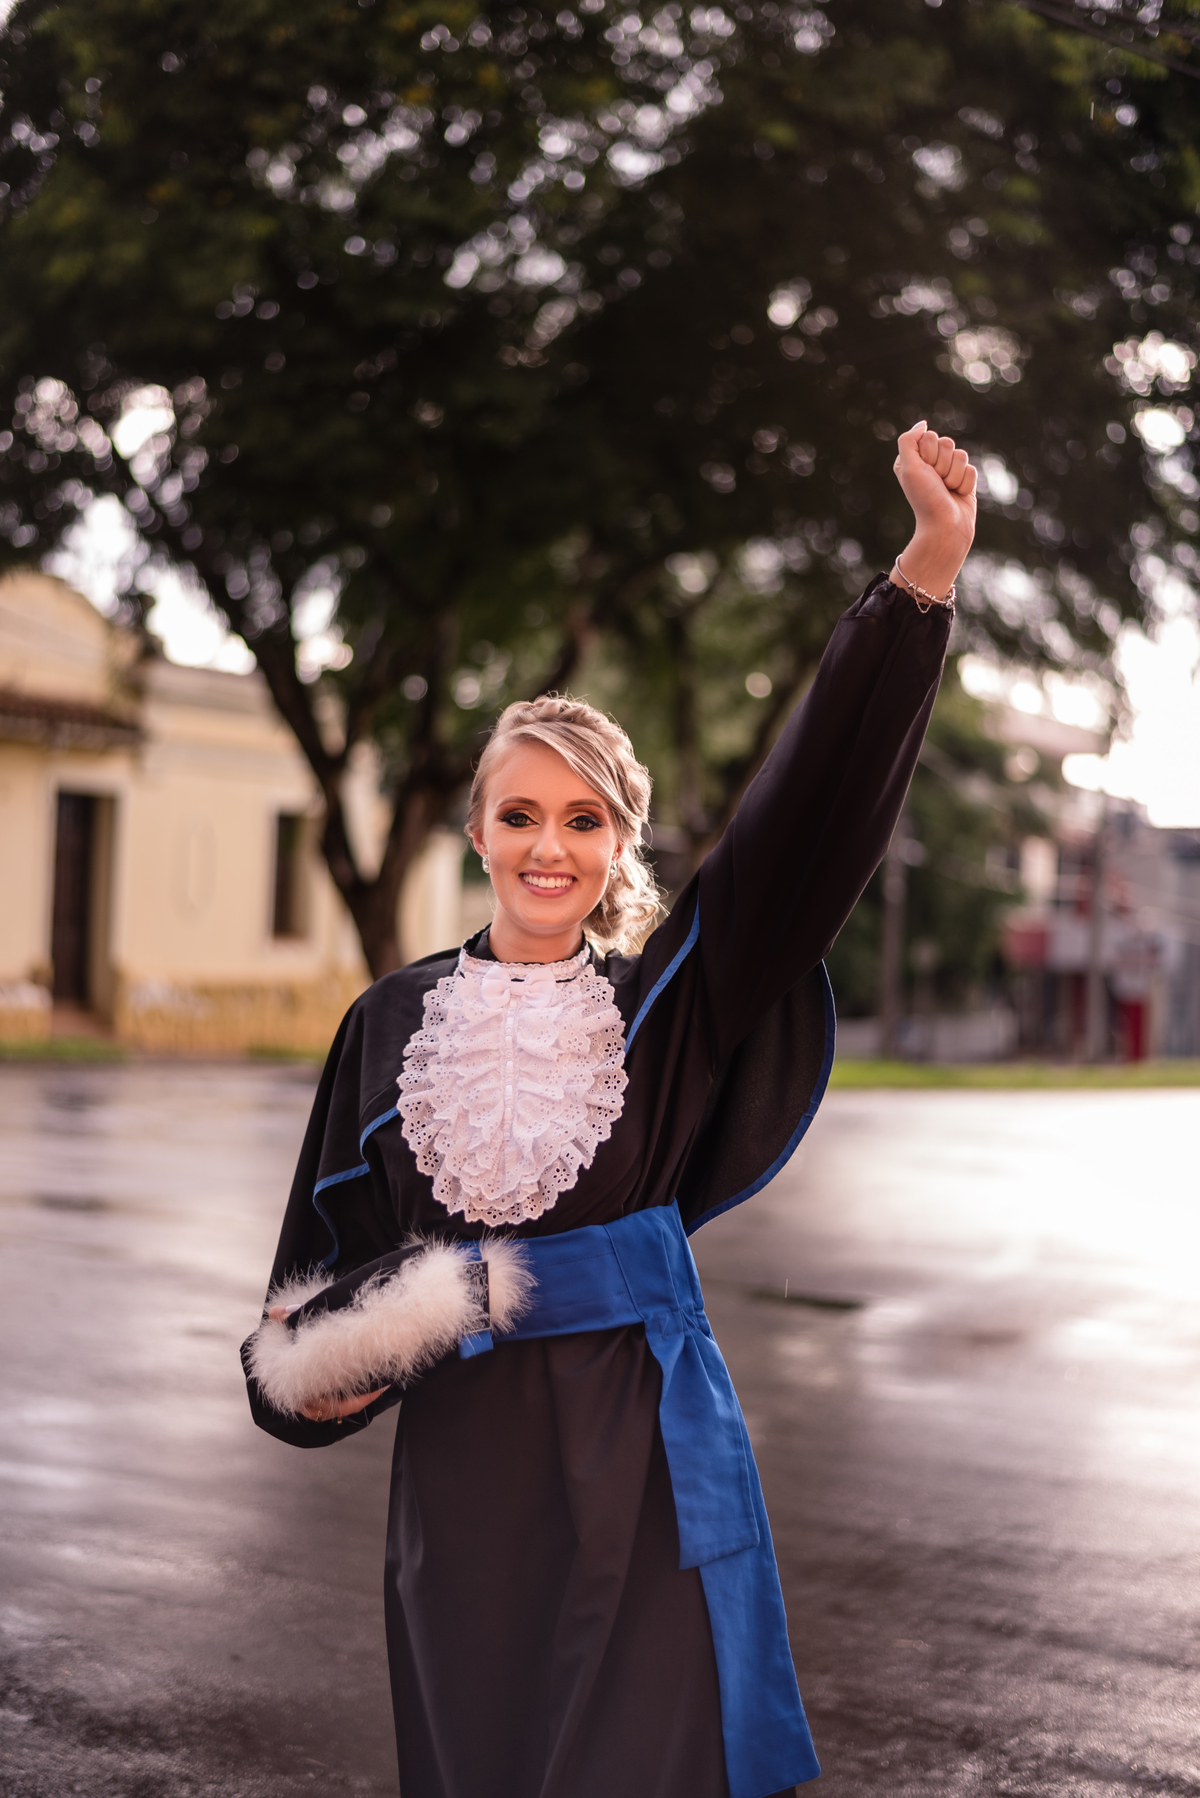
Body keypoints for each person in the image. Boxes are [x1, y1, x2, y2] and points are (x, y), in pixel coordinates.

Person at [242, 421, 977, 1798]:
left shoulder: (668, 1003)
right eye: (520, 814)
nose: (548, 846)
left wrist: (922, 576)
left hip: (636, 1449)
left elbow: (805, 822)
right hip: (462, 1473)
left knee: (639, 1758)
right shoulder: (388, 1022)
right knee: (482, 1756)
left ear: (620, 847)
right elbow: (309, 1288)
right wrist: (336, 1351)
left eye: (584, 821)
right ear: (477, 832)